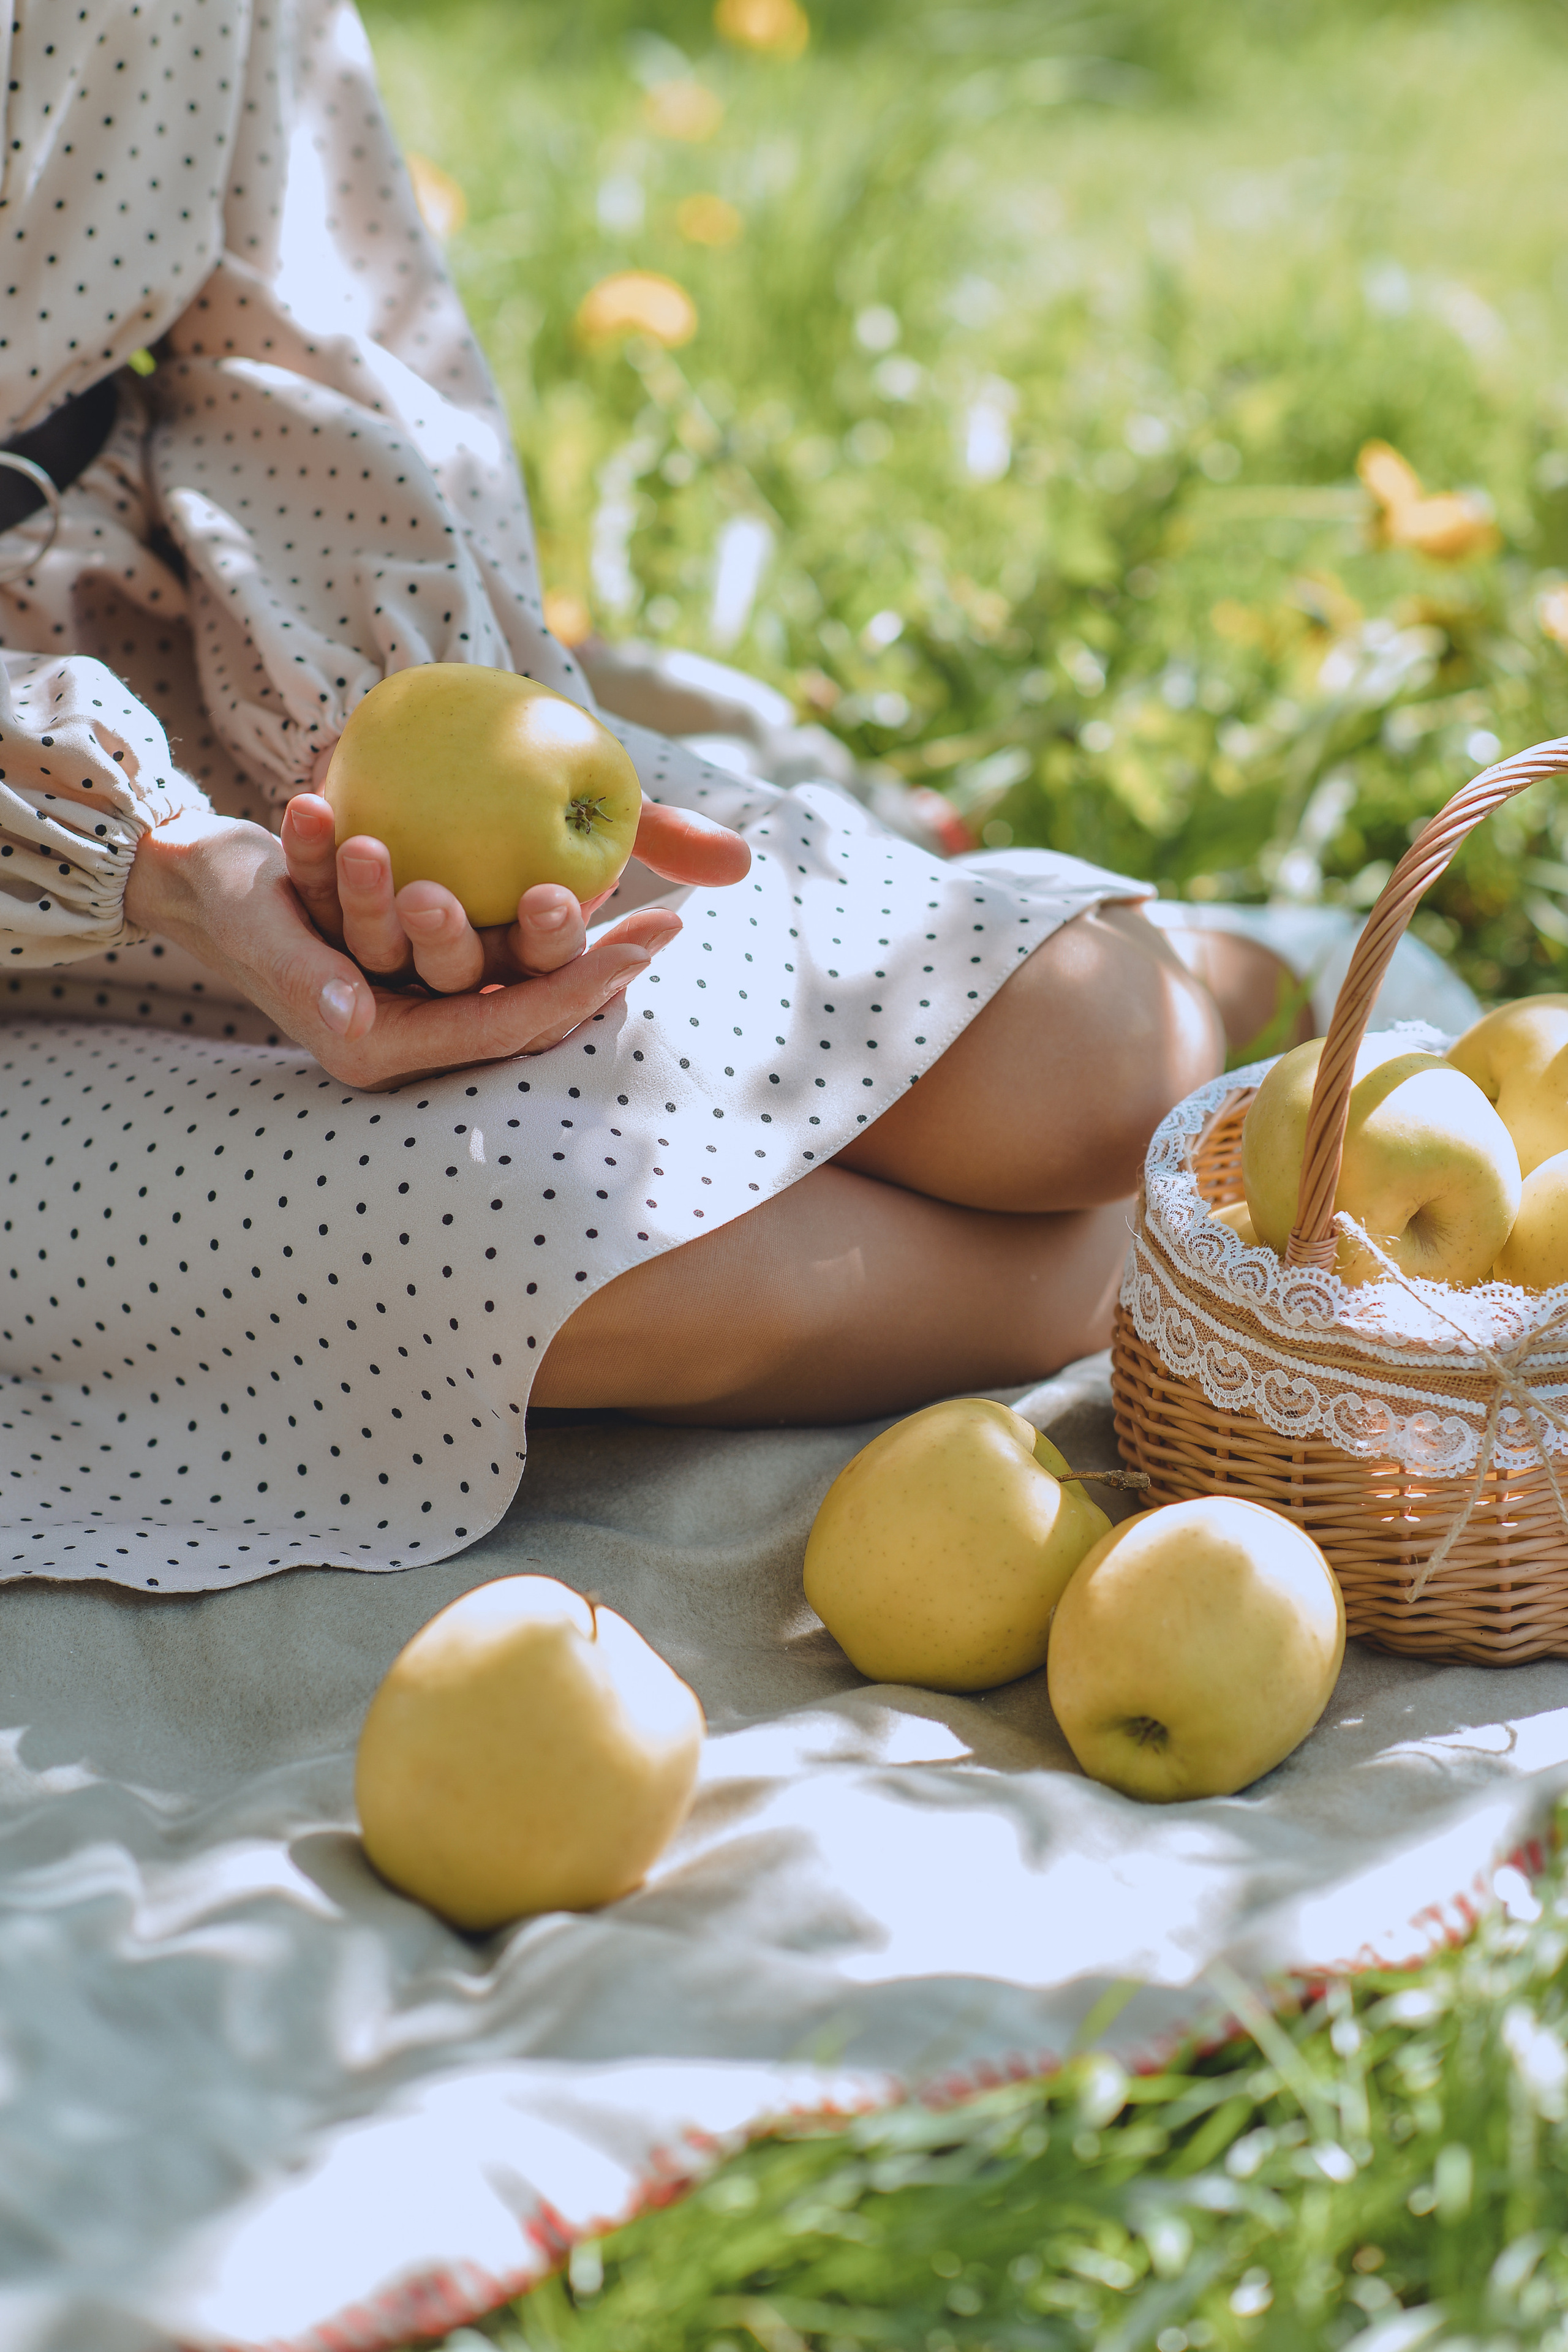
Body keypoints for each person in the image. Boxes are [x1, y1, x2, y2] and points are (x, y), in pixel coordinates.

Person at [0, 0, 1299, 1595]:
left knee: (1097, 1055)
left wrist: (366, 721)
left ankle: (1237, 991)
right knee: (590, 1251)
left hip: (192, 638)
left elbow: (289, 302)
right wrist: (128, 847)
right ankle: (1193, 1290)